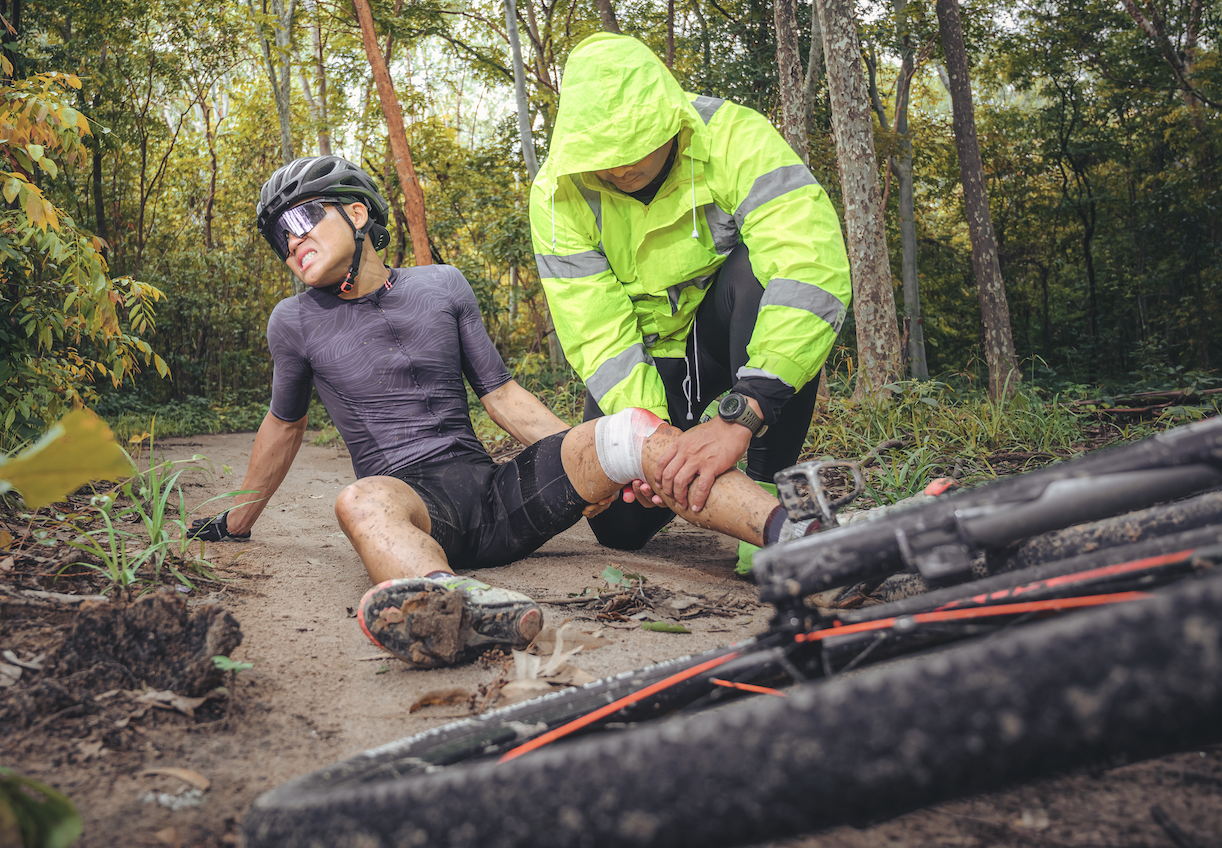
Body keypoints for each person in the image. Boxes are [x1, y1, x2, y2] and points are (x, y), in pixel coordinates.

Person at [190, 154, 783, 668]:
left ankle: (795, 532)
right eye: (279, 238)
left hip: (496, 496)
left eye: (300, 219)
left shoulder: (443, 286)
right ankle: (453, 609)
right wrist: (233, 522)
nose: (291, 241)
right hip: (414, 506)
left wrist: (594, 466)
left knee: (630, 431)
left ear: (358, 213)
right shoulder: (292, 323)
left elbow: (501, 394)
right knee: (360, 500)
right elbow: (284, 425)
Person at [529, 33, 853, 572]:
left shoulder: (735, 136)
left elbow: (809, 272)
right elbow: (597, 329)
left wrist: (739, 416)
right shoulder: (557, 195)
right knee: (618, 527)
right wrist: (652, 443)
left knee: (762, 275)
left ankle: (770, 500)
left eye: (634, 147)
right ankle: (697, 463)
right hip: (651, 355)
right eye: (602, 156)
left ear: (671, 121)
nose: (619, 168)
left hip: (730, 344)